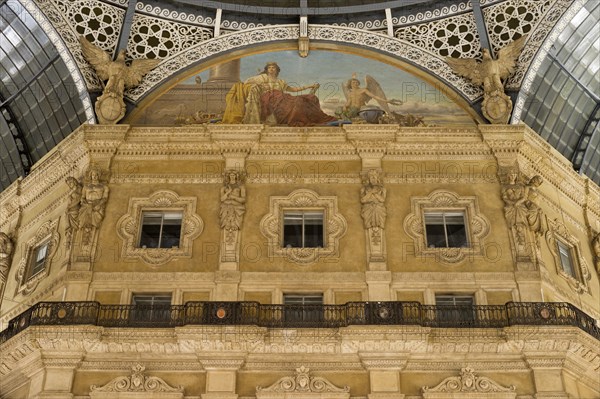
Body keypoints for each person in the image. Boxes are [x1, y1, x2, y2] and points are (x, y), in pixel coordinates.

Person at [223, 62, 336, 126]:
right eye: (269, 68)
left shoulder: (281, 82)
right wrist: (260, 86)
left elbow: (294, 90)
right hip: (269, 100)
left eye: (274, 68)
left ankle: (308, 118)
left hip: (282, 98)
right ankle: (296, 118)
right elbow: (245, 83)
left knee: (306, 99)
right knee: (294, 101)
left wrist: (309, 86)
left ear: (277, 70)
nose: (271, 69)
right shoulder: (261, 77)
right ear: (267, 70)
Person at [78, 167, 109, 245]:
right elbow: (82, 198)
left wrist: (99, 205)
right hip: (87, 206)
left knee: (96, 219)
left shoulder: (104, 187)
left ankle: (89, 237)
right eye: (93, 175)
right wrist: (86, 204)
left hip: (98, 206)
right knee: (84, 220)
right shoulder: (86, 187)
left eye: (96, 175)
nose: (94, 176)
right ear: (91, 176)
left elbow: (105, 198)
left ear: (99, 176)